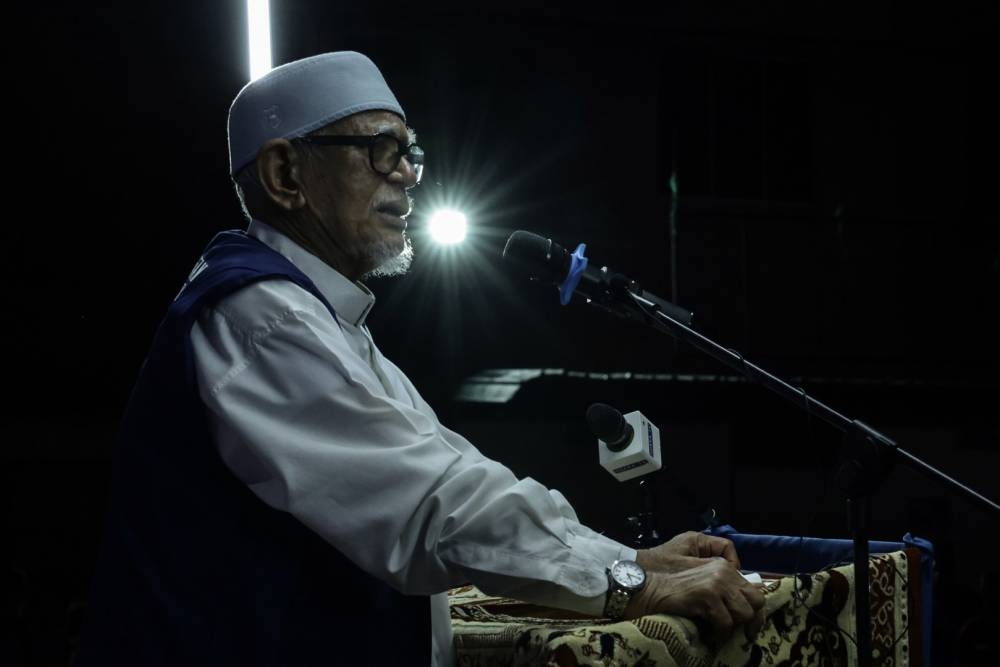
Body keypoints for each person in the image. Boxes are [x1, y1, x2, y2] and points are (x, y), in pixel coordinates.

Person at [77, 51, 764, 666]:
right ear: (286, 174)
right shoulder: (260, 317)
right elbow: (433, 508)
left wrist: (631, 557)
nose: (409, 174)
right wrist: (637, 582)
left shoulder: (328, 321)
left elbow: (454, 472)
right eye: (380, 149)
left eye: (411, 151)